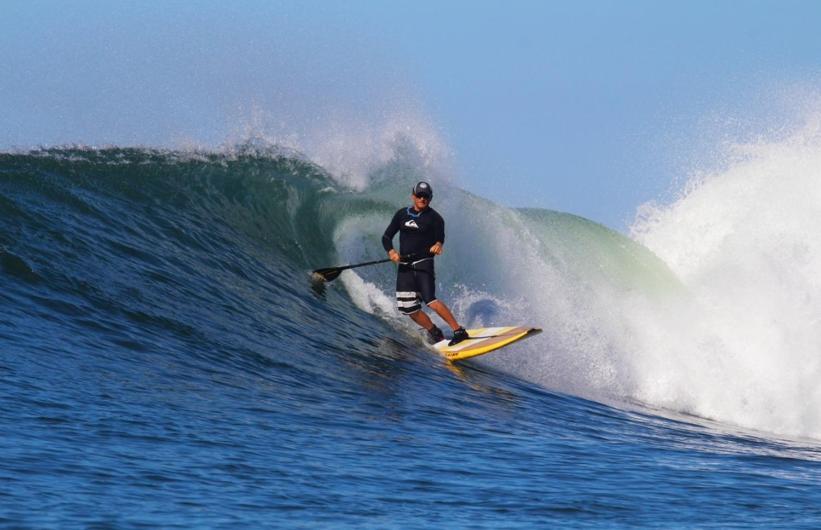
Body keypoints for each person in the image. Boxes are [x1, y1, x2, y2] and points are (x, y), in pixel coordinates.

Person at [381, 181, 469, 346]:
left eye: (426, 196)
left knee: (430, 300)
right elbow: (386, 237)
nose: (422, 199)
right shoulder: (401, 214)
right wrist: (391, 251)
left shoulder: (435, 219)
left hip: (423, 263)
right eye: (419, 195)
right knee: (409, 309)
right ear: (413, 196)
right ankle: (434, 332)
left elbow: (440, 239)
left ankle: (459, 331)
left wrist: (438, 245)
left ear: (430, 198)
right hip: (405, 266)